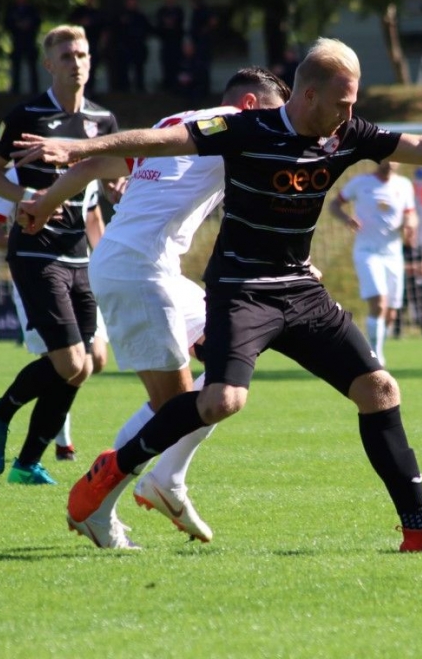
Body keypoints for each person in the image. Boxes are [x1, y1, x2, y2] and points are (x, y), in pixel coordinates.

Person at [12, 37, 422, 552]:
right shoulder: (243, 128)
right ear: (309, 95)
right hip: (241, 290)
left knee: (380, 390)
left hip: (300, 288)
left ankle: (419, 529)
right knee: (222, 400)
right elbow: (162, 141)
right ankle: (112, 471)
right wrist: (79, 148)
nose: (350, 114)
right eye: (342, 102)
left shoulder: (347, 134)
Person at [17, 67, 291, 549]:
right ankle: (99, 507)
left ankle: (168, 478)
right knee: (176, 408)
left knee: (231, 359)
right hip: (138, 268)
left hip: (148, 265)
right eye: (273, 115)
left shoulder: (176, 122)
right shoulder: (234, 127)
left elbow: (95, 167)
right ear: (249, 105)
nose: (276, 128)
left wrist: (45, 202)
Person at [0, 25, 119, 486]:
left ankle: (26, 465)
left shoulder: (103, 120)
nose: (77, 62)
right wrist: (25, 197)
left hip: (79, 255)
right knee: (71, 362)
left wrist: (117, 187)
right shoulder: (27, 115)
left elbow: (108, 182)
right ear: (49, 64)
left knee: (87, 365)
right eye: (67, 55)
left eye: (83, 54)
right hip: (36, 252)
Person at [0, 167, 113, 462]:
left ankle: (29, 450)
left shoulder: (85, 171)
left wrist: (105, 264)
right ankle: (44, 451)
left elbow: (93, 219)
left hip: (80, 272)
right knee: (65, 362)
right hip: (40, 273)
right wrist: (33, 242)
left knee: (90, 362)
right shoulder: (19, 177)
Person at [329, 159, 417, 366]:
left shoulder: (404, 185)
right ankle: (375, 355)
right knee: (379, 303)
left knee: (391, 313)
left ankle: (376, 348)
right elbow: (334, 205)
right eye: (388, 157)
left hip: (393, 254)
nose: (392, 162)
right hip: (367, 252)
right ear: (380, 158)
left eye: (396, 158)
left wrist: (410, 226)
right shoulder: (361, 183)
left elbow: (411, 215)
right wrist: (346, 219)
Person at [112, 0, 152, 92]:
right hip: (125, 46)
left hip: (138, 45)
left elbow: (148, 29)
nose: (132, 3)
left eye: (133, 1)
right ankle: (124, 88)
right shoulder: (121, 16)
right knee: (124, 68)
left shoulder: (140, 16)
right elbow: (115, 30)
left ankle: (140, 87)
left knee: (139, 68)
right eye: (130, 1)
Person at [68, 0, 107, 93]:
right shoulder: (80, 11)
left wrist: (102, 43)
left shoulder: (97, 13)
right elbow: (71, 23)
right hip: (80, 44)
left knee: (92, 67)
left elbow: (103, 29)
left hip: (93, 43)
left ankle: (91, 89)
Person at [4, 0, 42, 94]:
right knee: (16, 66)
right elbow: (7, 23)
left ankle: (34, 89)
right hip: (17, 41)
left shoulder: (32, 10)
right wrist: (17, 26)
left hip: (30, 41)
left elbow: (37, 22)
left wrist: (28, 25)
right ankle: (15, 89)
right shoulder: (12, 10)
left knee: (32, 66)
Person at [155, 0, 185, 94]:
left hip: (176, 43)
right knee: (166, 64)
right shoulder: (161, 11)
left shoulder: (179, 11)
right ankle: (167, 85)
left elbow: (180, 26)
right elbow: (159, 27)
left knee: (176, 64)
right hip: (166, 42)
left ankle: (176, 86)